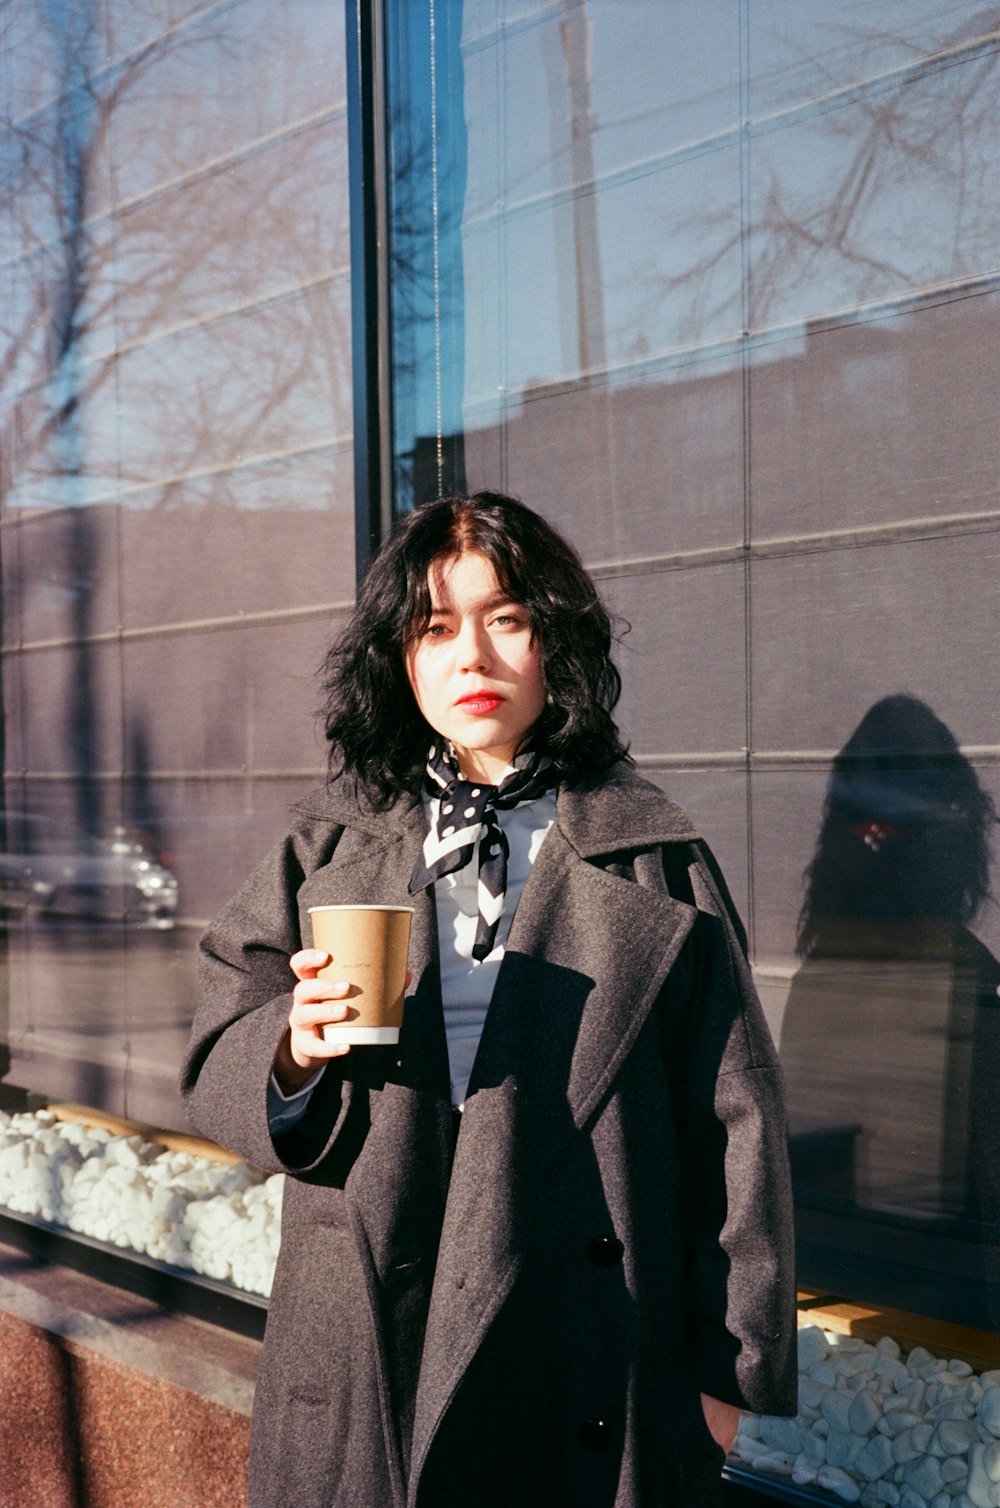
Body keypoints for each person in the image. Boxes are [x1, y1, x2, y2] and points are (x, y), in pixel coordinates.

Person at [181, 491, 796, 1508]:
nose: (471, 655)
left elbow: (734, 1127)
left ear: (555, 638)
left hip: (578, 1345)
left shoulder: (651, 855)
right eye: (434, 626)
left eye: (505, 617)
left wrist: (724, 1376)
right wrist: (292, 1047)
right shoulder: (328, 842)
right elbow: (217, 1046)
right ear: (398, 657)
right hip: (369, 1342)